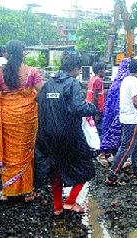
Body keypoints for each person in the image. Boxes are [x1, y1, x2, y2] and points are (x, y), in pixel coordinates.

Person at [35, 52, 97, 216]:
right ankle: (70, 202)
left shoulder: (48, 84)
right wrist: (92, 107)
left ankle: (57, 207)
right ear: (76, 68)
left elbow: (39, 105)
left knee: (56, 169)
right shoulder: (72, 84)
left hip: (47, 136)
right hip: (69, 136)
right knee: (86, 167)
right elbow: (78, 108)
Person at [0, 40, 43, 202]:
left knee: (9, 152)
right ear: (23, 53)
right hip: (26, 118)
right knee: (24, 152)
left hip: (6, 117)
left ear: (6, 53)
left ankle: (7, 191)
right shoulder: (32, 72)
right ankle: (27, 192)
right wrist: (29, 98)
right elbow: (42, 92)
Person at [106, 59, 137, 185]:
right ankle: (112, 175)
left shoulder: (126, 80)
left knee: (136, 145)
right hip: (132, 119)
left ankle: (136, 170)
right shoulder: (135, 82)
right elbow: (136, 102)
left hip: (126, 117)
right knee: (126, 147)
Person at [99, 58, 131, 166]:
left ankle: (106, 154)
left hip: (109, 113)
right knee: (118, 133)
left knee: (108, 131)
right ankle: (107, 156)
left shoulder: (115, 82)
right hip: (119, 112)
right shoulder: (126, 82)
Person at [86, 62, 106, 134]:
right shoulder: (98, 80)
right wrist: (96, 112)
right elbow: (95, 96)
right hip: (97, 109)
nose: (105, 71)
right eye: (104, 69)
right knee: (97, 129)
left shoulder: (92, 79)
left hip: (90, 107)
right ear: (99, 71)